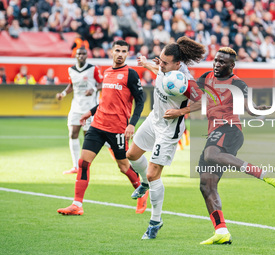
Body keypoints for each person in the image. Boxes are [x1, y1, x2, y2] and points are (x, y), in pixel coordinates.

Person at [196, 47, 275, 245]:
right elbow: (190, 89)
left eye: (222, 62)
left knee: (210, 153)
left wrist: (257, 109)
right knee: (206, 185)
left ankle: (260, 172)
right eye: (216, 60)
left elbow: (247, 106)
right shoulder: (206, 77)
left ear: (232, 65)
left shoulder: (237, 83)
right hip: (214, 132)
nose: (217, 64)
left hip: (230, 130)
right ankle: (221, 231)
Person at [126, 36, 206, 239]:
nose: (160, 64)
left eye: (164, 62)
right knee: (132, 155)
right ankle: (143, 183)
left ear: (178, 64)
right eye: (159, 60)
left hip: (169, 130)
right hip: (154, 119)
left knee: (154, 174)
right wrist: (146, 64)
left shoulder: (186, 82)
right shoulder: (165, 68)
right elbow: (159, 72)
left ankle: (155, 221)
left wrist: (180, 112)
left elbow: (203, 101)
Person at [57, 40, 147, 216]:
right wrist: (89, 113)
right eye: (117, 51)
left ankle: (141, 189)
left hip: (118, 129)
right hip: (97, 125)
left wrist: (131, 124)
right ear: (111, 52)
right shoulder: (106, 73)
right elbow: (104, 102)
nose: (120, 54)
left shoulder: (131, 74)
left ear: (127, 54)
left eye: (124, 51)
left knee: (123, 166)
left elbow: (141, 101)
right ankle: (77, 204)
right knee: (83, 163)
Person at [56, 47, 102, 174]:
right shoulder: (71, 70)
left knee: (87, 136)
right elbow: (71, 85)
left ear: (87, 56)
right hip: (76, 107)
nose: (81, 56)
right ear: (75, 56)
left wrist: (93, 89)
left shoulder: (93, 69)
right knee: (72, 133)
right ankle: (76, 166)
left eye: (83, 54)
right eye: (79, 54)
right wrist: (63, 94)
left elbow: (102, 83)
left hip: (89, 107)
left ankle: (85, 165)